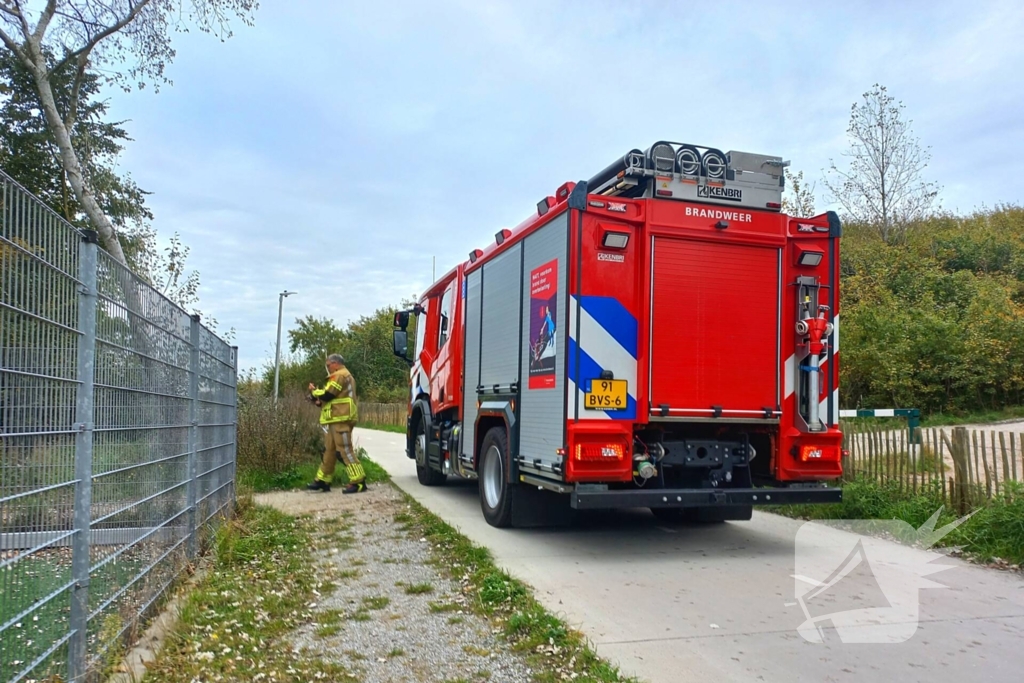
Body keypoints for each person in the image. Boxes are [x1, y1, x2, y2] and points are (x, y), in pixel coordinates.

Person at [306, 354, 366, 494]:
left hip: (341, 419)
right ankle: (323, 480)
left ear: (335, 363)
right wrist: (318, 401)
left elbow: (329, 394)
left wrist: (314, 392)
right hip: (335, 418)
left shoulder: (340, 375)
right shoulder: (342, 376)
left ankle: (358, 481)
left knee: (344, 450)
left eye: (328, 365)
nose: (328, 368)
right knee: (330, 451)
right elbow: (331, 399)